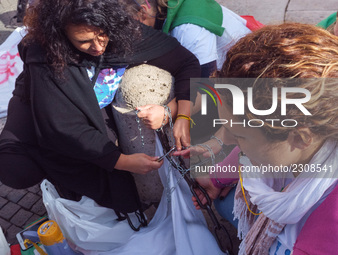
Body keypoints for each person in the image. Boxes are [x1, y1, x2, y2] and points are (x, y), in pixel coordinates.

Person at [0, 0, 200, 223]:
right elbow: (63, 128)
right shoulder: (46, 54)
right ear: (61, 34)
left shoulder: (124, 31)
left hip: (87, 106)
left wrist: (181, 114)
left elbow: (187, 63)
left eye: (102, 34)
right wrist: (122, 161)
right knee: (14, 168)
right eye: (83, 41)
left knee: (97, 162)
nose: (98, 47)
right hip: (38, 106)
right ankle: (56, 174)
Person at [192, 23, 338, 254]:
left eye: (240, 135)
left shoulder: (326, 234)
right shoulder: (318, 133)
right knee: (224, 203)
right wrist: (216, 179)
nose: (228, 141)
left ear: (300, 138)